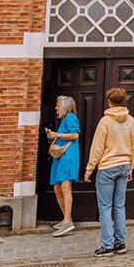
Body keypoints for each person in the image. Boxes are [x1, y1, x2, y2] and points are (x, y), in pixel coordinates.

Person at [83, 88, 134, 257]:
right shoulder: (131, 121)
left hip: (107, 167)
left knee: (105, 207)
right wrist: (131, 167)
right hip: (123, 165)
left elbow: (97, 148)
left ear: (109, 101)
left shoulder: (105, 122)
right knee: (119, 206)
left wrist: (89, 169)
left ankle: (107, 246)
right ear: (123, 101)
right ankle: (120, 243)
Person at [45, 95, 80, 237]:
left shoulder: (71, 118)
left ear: (65, 106)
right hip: (61, 157)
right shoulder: (64, 119)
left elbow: (75, 135)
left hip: (68, 156)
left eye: (58, 105)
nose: (56, 107)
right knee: (57, 188)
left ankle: (67, 222)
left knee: (65, 188)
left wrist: (57, 135)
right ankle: (66, 217)